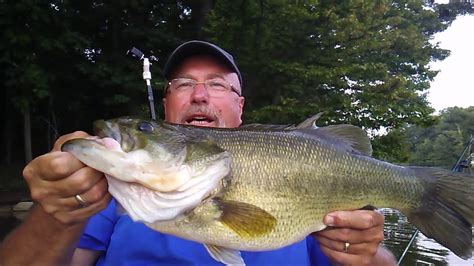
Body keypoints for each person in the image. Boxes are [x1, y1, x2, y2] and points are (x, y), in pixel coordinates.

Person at [0, 40, 396, 265]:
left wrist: (366, 254)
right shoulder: (107, 190)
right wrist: (56, 215)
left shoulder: (304, 167)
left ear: (240, 107)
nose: (201, 95)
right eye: (184, 83)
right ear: (168, 104)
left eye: (219, 85)